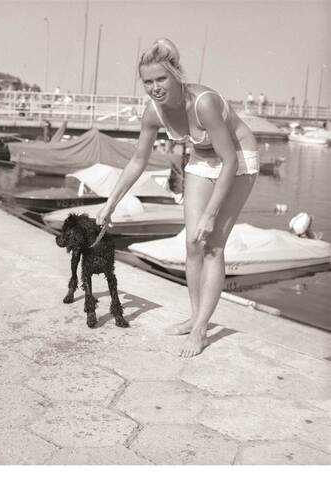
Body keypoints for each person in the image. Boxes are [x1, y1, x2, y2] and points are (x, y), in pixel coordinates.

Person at [95, 38, 259, 357]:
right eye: (148, 82)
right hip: (201, 159)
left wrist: (211, 214)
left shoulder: (203, 103)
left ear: (176, 75)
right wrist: (109, 203)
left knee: (212, 245)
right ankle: (196, 317)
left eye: (161, 79)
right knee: (190, 244)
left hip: (238, 159)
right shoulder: (153, 111)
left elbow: (230, 162)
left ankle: (201, 330)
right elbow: (138, 161)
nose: (155, 87)